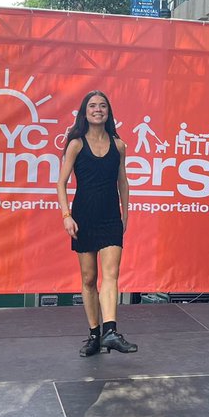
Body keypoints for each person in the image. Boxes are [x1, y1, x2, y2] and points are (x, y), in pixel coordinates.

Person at [56, 90, 138, 356]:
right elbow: (61, 182)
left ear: (108, 112)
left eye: (102, 106)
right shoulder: (76, 144)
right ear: (85, 112)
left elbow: (123, 182)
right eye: (92, 106)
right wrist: (66, 216)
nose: (98, 109)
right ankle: (94, 334)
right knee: (89, 278)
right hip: (83, 216)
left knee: (111, 275)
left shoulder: (119, 145)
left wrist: (125, 213)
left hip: (110, 216)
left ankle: (111, 331)